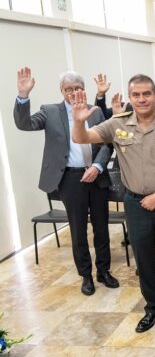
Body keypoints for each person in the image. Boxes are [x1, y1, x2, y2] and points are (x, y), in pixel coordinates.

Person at [71, 74, 155, 333]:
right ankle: (153, 308)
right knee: (144, 259)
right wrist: (79, 121)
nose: (142, 99)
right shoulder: (117, 123)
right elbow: (81, 138)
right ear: (130, 97)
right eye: (136, 95)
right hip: (135, 204)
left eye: (146, 94)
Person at [14, 68, 117, 296]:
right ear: (61, 91)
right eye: (68, 89)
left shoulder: (95, 111)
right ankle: (86, 275)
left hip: (97, 176)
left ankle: (104, 271)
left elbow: (106, 143)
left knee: (101, 227)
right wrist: (23, 96)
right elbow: (24, 124)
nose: (73, 92)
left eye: (77, 88)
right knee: (78, 230)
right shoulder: (50, 111)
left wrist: (98, 166)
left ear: (84, 89)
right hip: (71, 179)